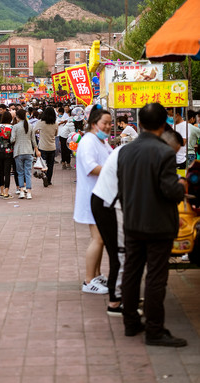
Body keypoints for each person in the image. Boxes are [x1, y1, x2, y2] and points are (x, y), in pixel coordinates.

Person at [91, 126, 183, 316]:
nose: (170, 156)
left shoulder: (136, 149)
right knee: (122, 253)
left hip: (110, 201)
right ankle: (116, 302)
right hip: (109, 204)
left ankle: (125, 297)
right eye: (171, 152)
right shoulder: (142, 153)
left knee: (124, 253)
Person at [117, 103, 187, 346]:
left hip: (132, 221)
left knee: (132, 273)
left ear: (142, 122)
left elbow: (123, 189)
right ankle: (155, 330)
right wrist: (181, 187)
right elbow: (170, 191)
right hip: (158, 225)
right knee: (156, 277)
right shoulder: (164, 152)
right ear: (163, 124)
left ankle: (130, 323)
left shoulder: (125, 151)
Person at [74, 105, 112, 294]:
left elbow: (111, 158)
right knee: (97, 239)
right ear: (93, 123)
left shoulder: (101, 142)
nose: (108, 127)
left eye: (110, 124)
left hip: (101, 196)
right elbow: (91, 166)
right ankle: (88, 280)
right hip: (92, 196)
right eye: (104, 123)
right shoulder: (88, 141)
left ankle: (96, 275)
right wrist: (113, 172)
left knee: (101, 239)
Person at [11, 109, 40, 199]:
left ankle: (22, 191)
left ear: (18, 116)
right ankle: (29, 192)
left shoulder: (15, 127)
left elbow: (12, 139)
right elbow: (33, 140)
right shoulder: (30, 126)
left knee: (20, 173)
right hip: (29, 151)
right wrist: (37, 150)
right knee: (27, 173)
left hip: (18, 152)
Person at [0, 111, 15, 198]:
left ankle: (1, 191)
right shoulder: (12, 127)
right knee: (7, 172)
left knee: (1, 171)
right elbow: (13, 140)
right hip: (9, 151)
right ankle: (6, 192)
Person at [34, 107, 58, 186]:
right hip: (52, 146)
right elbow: (55, 134)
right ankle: (49, 180)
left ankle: (44, 175)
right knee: (50, 165)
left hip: (43, 146)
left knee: (43, 164)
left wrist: (39, 131)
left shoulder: (41, 122)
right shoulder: (55, 123)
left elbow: (34, 130)